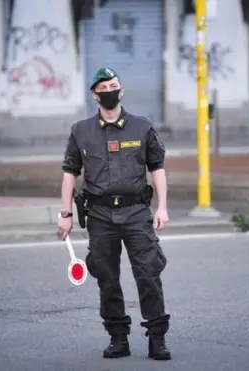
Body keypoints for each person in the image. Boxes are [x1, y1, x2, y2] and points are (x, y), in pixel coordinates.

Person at [57, 67, 172, 361]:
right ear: (95, 95)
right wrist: (65, 213)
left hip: (136, 212)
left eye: (114, 85)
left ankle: (156, 338)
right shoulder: (80, 131)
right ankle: (118, 338)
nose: (110, 90)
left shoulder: (142, 127)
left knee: (148, 274)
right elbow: (70, 173)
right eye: (104, 87)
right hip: (99, 215)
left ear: (121, 91)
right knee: (107, 279)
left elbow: (156, 168)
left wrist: (162, 207)